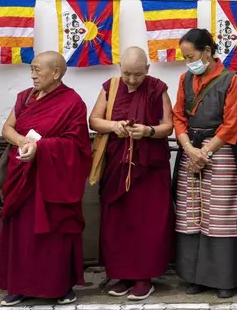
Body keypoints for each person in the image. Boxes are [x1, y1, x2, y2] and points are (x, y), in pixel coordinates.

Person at [0, 51, 91, 306]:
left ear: (56, 73)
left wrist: (42, 148)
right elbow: (7, 128)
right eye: (32, 70)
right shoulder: (25, 98)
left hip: (55, 180)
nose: (33, 75)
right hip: (22, 176)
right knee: (21, 232)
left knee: (55, 232)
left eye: (38, 70)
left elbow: (78, 145)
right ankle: (18, 285)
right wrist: (23, 141)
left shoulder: (72, 103)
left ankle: (60, 286)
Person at [89, 47, 174, 301]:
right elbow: (94, 121)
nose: (132, 80)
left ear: (147, 69)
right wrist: (115, 126)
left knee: (148, 223)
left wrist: (147, 131)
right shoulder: (111, 87)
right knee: (118, 222)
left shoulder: (158, 88)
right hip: (117, 165)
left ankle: (144, 277)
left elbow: (168, 125)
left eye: (138, 74)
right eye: (127, 73)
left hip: (148, 170)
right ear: (119, 68)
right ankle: (122, 274)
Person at [172, 28, 237, 299]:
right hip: (190, 150)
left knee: (220, 216)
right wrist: (190, 149)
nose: (188, 61)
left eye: (191, 55)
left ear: (207, 51)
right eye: (184, 57)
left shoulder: (231, 80)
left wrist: (206, 152)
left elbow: (232, 123)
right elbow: (178, 116)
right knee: (192, 214)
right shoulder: (184, 79)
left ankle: (224, 278)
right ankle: (196, 276)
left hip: (221, 152)